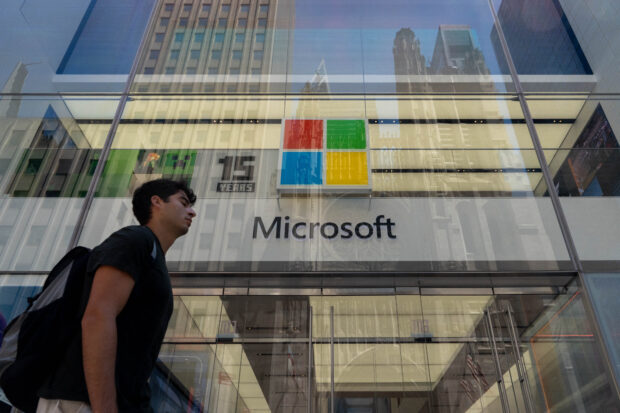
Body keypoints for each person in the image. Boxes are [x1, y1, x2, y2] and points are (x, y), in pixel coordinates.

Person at [37, 179, 197, 413]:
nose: (192, 211)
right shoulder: (135, 240)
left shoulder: (153, 255)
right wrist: (105, 407)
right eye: (183, 202)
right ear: (156, 202)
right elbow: (98, 317)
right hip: (81, 402)